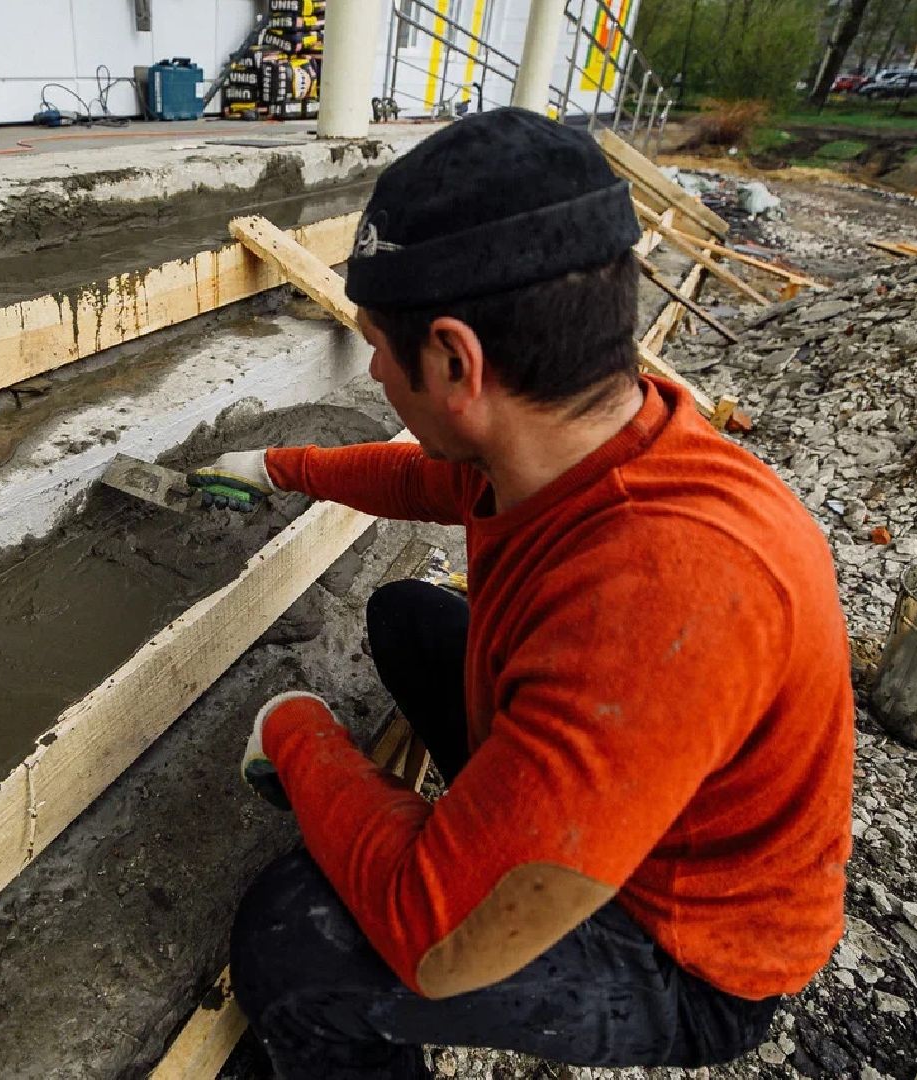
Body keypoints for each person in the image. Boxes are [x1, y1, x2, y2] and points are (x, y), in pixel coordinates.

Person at [186, 109, 854, 1079]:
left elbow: (431, 934)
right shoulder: (576, 435)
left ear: (457, 363)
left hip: (683, 946)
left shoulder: (666, 596)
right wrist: (279, 468)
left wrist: (296, 732)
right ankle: (510, 825)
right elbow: (421, 478)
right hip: (629, 791)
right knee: (409, 617)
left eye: (379, 344)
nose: (371, 366)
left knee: (293, 937)